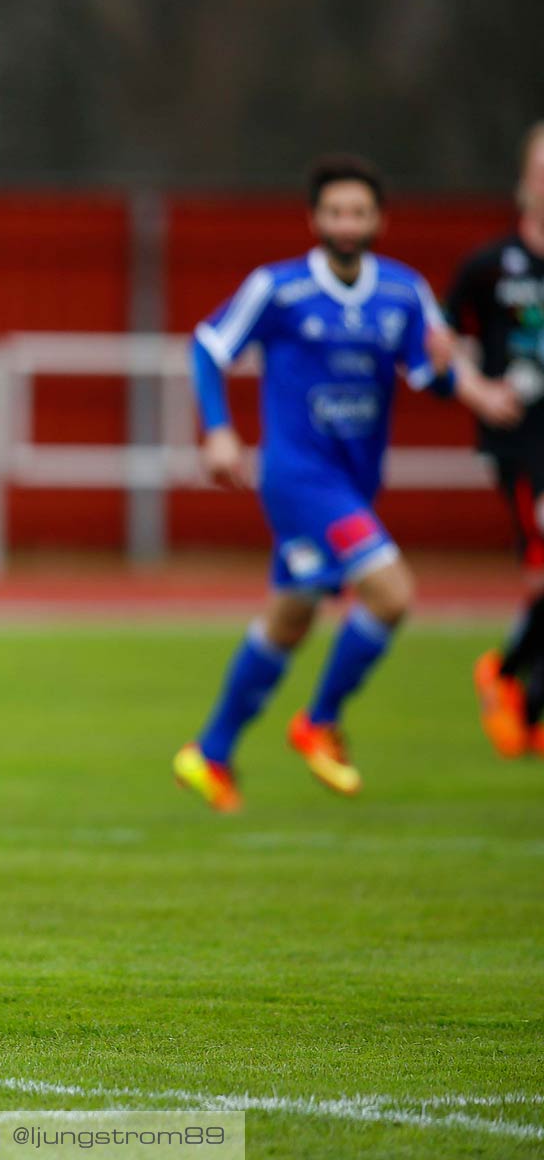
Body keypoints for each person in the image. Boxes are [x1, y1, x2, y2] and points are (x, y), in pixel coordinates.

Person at [173, 155, 519, 813]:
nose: (347, 224)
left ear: (378, 220)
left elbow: (433, 372)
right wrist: (218, 431)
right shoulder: (278, 289)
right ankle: (319, 721)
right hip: (300, 477)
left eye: (359, 212)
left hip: (355, 481)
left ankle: (209, 754)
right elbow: (207, 346)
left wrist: (476, 391)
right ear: (315, 219)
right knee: (391, 594)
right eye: (335, 212)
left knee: (291, 616)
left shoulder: (402, 291)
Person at [449, 123, 544, 756]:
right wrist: (478, 392)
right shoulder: (490, 266)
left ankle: (522, 696)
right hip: (523, 443)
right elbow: (442, 341)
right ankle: (510, 680)